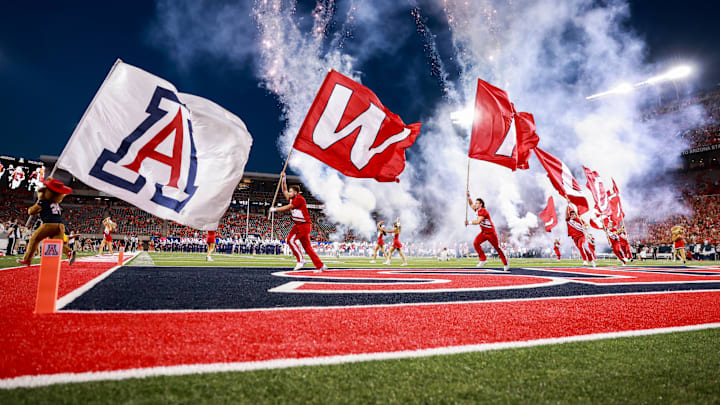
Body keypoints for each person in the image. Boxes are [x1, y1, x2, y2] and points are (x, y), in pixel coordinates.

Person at [269, 172, 327, 272]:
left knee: (290, 240)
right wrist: (283, 179)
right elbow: (284, 190)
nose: (289, 193)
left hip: (304, 225)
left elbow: (288, 207)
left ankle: (300, 260)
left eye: (291, 192)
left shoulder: (299, 199)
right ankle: (320, 265)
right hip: (298, 225)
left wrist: (275, 209)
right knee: (307, 248)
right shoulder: (292, 198)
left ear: (295, 193)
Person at [17, 178, 76, 266]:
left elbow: (31, 212)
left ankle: (27, 259)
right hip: (60, 225)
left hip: (48, 224)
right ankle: (69, 252)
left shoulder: (43, 202)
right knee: (57, 243)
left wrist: (39, 201)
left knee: (34, 239)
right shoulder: (56, 203)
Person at [465, 191, 509, 271]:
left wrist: (469, 222)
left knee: (497, 248)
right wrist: (468, 197)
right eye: (476, 203)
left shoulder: (483, 211)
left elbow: (478, 222)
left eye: (477, 203)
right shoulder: (477, 209)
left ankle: (506, 263)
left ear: (481, 204)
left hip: (491, 233)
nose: (476, 204)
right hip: (483, 232)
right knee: (476, 243)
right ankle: (483, 260)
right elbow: (471, 204)